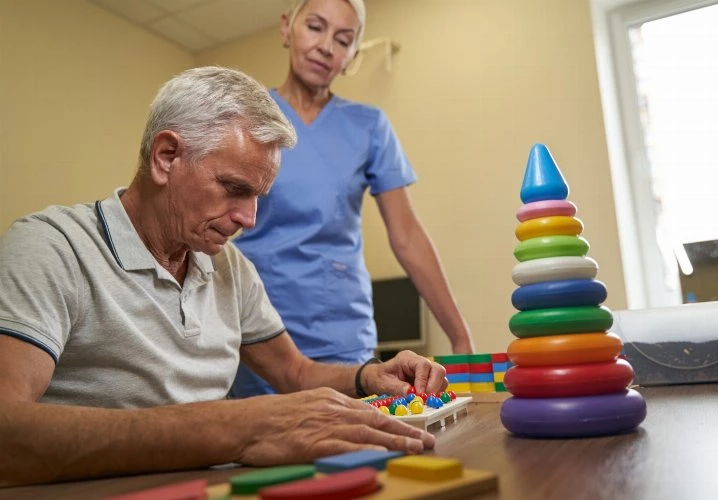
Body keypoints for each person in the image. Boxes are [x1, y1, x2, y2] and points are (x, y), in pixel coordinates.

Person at [0, 66, 448, 486]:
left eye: (259, 196)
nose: (249, 219)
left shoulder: (231, 268)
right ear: (166, 156)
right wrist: (235, 427)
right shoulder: (52, 247)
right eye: (235, 189)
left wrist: (368, 377)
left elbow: (294, 373)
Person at [231, 0, 475, 398]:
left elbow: (408, 237)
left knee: (357, 456)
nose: (326, 46)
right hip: (260, 336)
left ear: (352, 56)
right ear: (286, 29)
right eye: (315, 27)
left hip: (341, 335)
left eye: (343, 39)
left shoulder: (369, 126)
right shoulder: (249, 117)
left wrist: (460, 337)